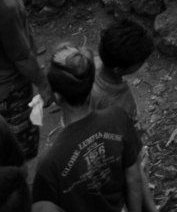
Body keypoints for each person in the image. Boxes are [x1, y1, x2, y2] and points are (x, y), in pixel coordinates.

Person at [31, 44, 143, 212]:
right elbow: (134, 178)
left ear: (57, 96)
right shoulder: (118, 118)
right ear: (90, 83)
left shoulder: (50, 162)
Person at [90, 19, 156, 212]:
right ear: (119, 69)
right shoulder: (117, 102)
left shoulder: (91, 66)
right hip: (118, 159)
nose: (142, 65)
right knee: (134, 188)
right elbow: (132, 167)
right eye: (140, 63)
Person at [0, 0, 49, 162]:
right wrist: (43, 83)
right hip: (9, 89)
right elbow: (21, 58)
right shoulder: (5, 6)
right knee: (19, 150)